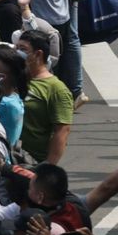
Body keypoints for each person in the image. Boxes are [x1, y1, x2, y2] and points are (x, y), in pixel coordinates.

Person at [16, 29, 74, 163]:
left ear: (38, 54)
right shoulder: (16, 78)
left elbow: (62, 131)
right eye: (16, 47)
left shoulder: (57, 89)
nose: (17, 52)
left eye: (23, 49)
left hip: (32, 161)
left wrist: (48, 166)